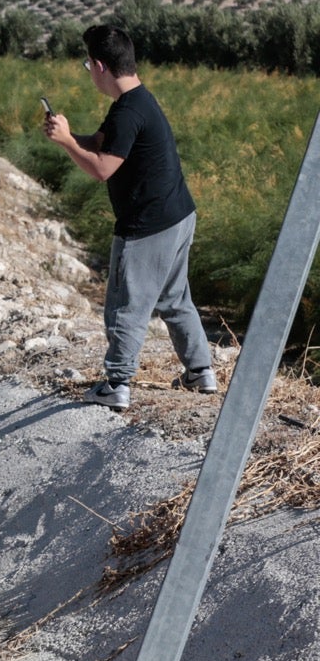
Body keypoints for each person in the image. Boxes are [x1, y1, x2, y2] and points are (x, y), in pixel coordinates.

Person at [42, 24, 217, 410]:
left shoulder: (127, 112)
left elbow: (102, 167)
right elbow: (106, 143)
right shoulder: (137, 102)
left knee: (125, 304)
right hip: (178, 215)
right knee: (174, 298)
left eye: (88, 63)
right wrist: (68, 135)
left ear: (100, 65)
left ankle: (117, 384)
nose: (88, 70)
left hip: (147, 226)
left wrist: (68, 142)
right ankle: (200, 371)